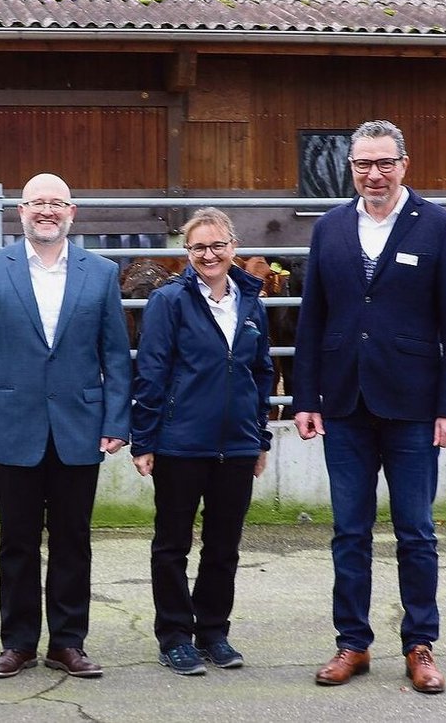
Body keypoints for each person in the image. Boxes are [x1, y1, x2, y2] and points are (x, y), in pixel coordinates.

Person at [291, 120, 446, 694]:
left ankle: (419, 644)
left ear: (404, 164)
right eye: (363, 165)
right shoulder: (330, 228)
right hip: (345, 403)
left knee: (415, 531)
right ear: (350, 169)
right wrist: (306, 398)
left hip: (415, 406)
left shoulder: (439, 227)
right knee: (349, 530)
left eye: (384, 164)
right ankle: (353, 643)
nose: (374, 175)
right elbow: (312, 318)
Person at [0, 173, 132, 680]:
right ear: (21, 211)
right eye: (37, 203)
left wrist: (118, 418)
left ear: (71, 212)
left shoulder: (99, 273)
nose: (46, 212)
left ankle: (68, 643)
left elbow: (115, 355)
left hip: (81, 425)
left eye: (57, 203)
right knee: (17, 541)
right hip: (10, 426)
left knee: (74, 539)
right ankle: (19, 643)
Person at [130, 207, 274, 676]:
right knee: (172, 544)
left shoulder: (250, 301)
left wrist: (261, 437)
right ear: (186, 253)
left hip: (236, 444)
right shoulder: (168, 301)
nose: (208, 255)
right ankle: (174, 636)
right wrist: (145, 439)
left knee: (223, 545)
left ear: (233, 247)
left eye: (217, 246)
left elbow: (261, 371)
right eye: (198, 247)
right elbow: (151, 372)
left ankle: (214, 631)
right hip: (180, 442)